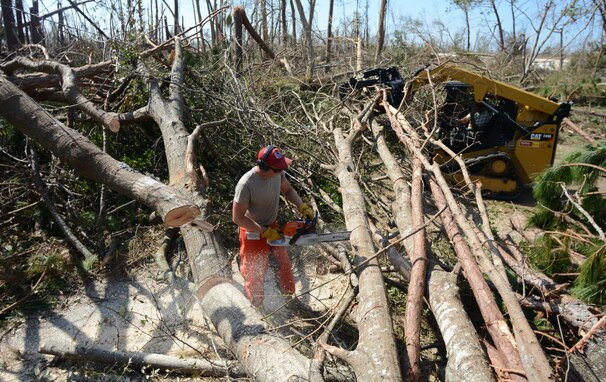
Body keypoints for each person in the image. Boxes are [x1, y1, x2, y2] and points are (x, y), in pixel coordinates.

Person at [232, 145, 315, 308]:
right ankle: (258, 307)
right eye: (277, 169)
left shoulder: (278, 172)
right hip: (252, 231)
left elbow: (288, 190)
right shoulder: (246, 184)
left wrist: (302, 206)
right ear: (264, 167)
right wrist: (263, 231)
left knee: (283, 262)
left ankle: (289, 298)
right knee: (255, 271)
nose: (280, 172)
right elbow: (237, 218)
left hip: (273, 225)